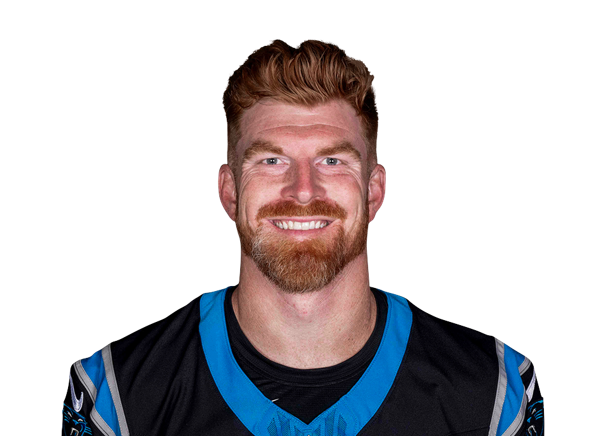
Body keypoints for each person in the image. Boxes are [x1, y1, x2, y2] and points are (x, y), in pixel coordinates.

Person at [62, 39, 545, 436]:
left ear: (374, 191)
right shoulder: (114, 399)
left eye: (332, 160)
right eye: (272, 160)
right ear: (229, 191)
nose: (303, 191)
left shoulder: (495, 394)